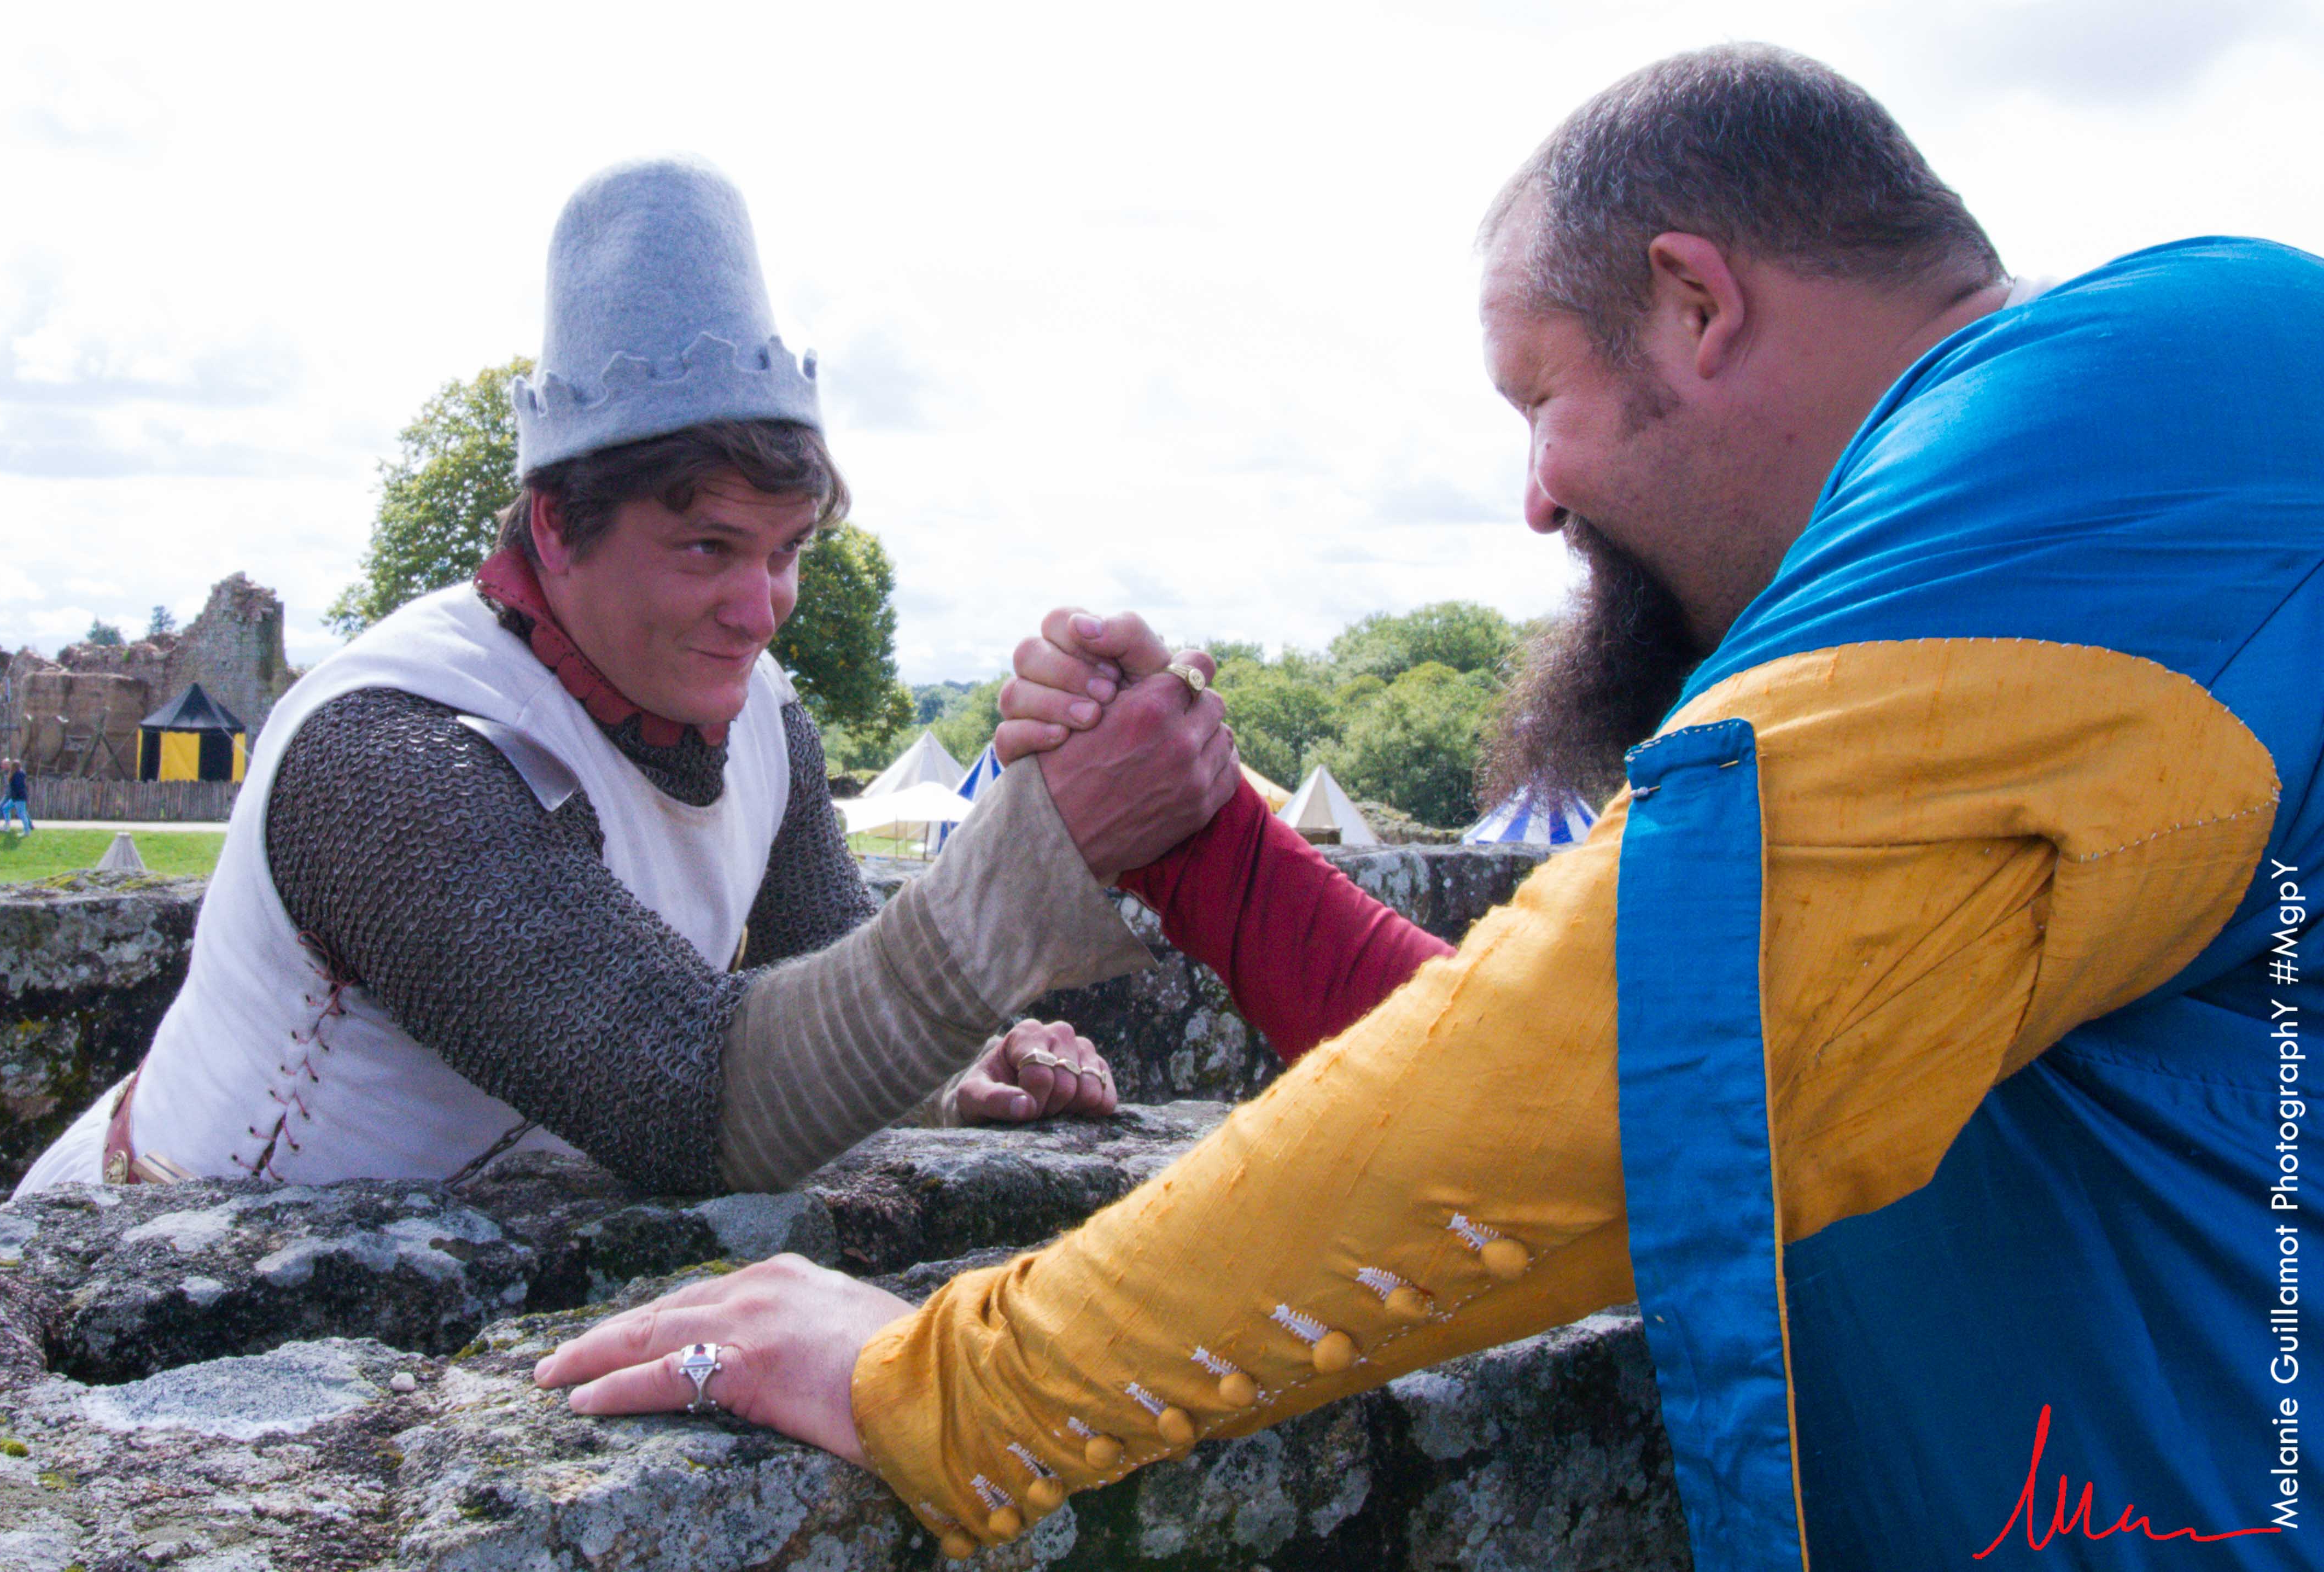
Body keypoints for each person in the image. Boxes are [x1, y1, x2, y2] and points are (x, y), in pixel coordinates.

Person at [537, 45, 2323, 1569]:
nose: (1535, 498)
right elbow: (1605, 1093)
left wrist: (948, 1383)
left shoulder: (2181, 399)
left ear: (1697, 305)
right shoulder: (2020, 622)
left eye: (1539, 397)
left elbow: (1584, 1065)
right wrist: (1208, 849)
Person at [13, 157, 1239, 1199]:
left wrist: (948, 1074)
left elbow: (830, 966)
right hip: (162, 1294)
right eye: (707, 547)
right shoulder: (390, 754)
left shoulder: (765, 722)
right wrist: (1041, 842)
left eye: (786, 551)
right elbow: (695, 1103)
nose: (759, 609)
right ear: (557, 526)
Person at [0, 758, 32, 833]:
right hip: (14, 797)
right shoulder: (14, 773)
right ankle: (7, 826)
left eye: (5, 764)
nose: (3, 766)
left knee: (22, 814)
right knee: (5, 808)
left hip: (18, 797)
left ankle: (27, 830)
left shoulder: (18, 775)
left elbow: (18, 787)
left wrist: (15, 795)